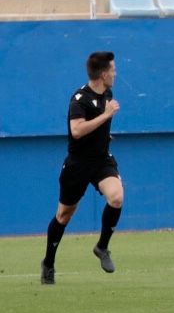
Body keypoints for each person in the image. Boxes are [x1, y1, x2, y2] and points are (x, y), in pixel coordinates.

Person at [41, 50, 125, 285]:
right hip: (77, 165)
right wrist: (106, 116)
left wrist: (104, 135)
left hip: (101, 161)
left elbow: (96, 128)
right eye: (113, 70)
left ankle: (102, 247)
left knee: (116, 197)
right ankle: (48, 262)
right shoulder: (79, 99)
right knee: (63, 215)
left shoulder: (107, 93)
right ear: (103, 74)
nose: (116, 73)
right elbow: (76, 131)